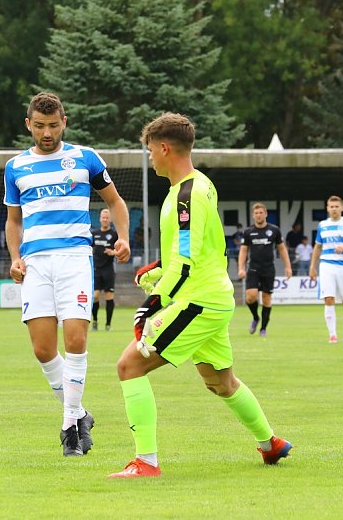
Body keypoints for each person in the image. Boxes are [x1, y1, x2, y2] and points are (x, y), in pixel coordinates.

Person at [109, 113, 291, 479]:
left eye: (149, 151)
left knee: (129, 367)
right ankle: (271, 444)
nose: (149, 158)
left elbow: (188, 261)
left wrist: (152, 302)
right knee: (220, 382)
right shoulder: (200, 185)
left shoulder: (186, 196)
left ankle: (146, 462)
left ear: (163, 148)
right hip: (214, 297)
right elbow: (198, 252)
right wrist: (159, 272)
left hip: (197, 302)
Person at [4, 92, 130, 458]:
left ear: (65, 122)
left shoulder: (84, 158)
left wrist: (123, 236)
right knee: (43, 349)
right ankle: (80, 414)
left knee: (75, 339)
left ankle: (68, 428)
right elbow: (13, 220)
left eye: (53, 125)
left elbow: (115, 201)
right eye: (40, 126)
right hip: (36, 264)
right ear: (28, 124)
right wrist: (15, 257)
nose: (47, 132)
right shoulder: (15, 166)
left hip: (75, 257)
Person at [309, 195, 343, 344]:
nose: (334, 209)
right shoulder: (322, 225)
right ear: (327, 208)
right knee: (329, 298)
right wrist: (312, 266)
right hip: (326, 265)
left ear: (342, 208)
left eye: (337, 206)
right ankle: (332, 335)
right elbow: (318, 246)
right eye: (331, 206)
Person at [236, 203, 292, 337]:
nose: (259, 215)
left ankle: (263, 329)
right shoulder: (248, 232)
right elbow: (243, 251)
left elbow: (282, 249)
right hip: (253, 269)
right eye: (256, 213)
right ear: (253, 215)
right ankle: (255, 317)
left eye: (261, 212)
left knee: (266, 299)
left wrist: (288, 266)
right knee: (251, 296)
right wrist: (241, 268)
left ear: (266, 214)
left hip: (268, 269)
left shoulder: (274, 230)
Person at [91, 208, 119, 332]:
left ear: (110, 219)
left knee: (109, 297)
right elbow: (89, 248)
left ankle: (108, 324)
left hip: (108, 270)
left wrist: (112, 252)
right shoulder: (94, 234)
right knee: (95, 296)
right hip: (96, 269)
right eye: (103, 217)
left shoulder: (114, 235)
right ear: (100, 219)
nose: (105, 219)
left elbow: (119, 251)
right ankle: (95, 320)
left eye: (107, 217)